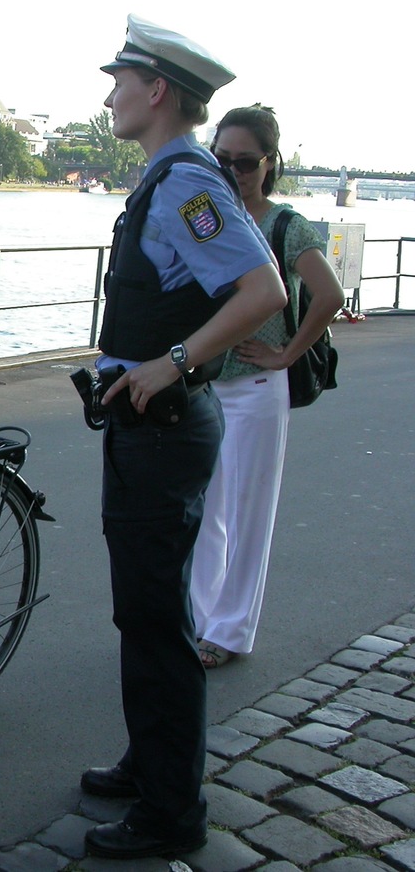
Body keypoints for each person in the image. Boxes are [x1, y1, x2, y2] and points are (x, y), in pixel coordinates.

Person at [79, 16, 287, 859]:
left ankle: (171, 813)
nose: (109, 94)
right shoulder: (167, 180)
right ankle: (151, 763)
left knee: (158, 619)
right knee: (147, 612)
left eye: (118, 80)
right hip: (147, 430)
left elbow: (262, 288)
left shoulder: (183, 186)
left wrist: (171, 362)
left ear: (156, 89)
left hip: (162, 429)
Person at [190, 106, 344, 669]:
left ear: (269, 163)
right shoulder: (205, 214)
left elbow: (329, 295)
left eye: (246, 162)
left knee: (250, 513)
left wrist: (286, 354)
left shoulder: (284, 225)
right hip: (203, 386)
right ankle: (200, 620)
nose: (234, 171)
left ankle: (229, 632)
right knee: (205, 510)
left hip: (257, 386)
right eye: (222, 159)